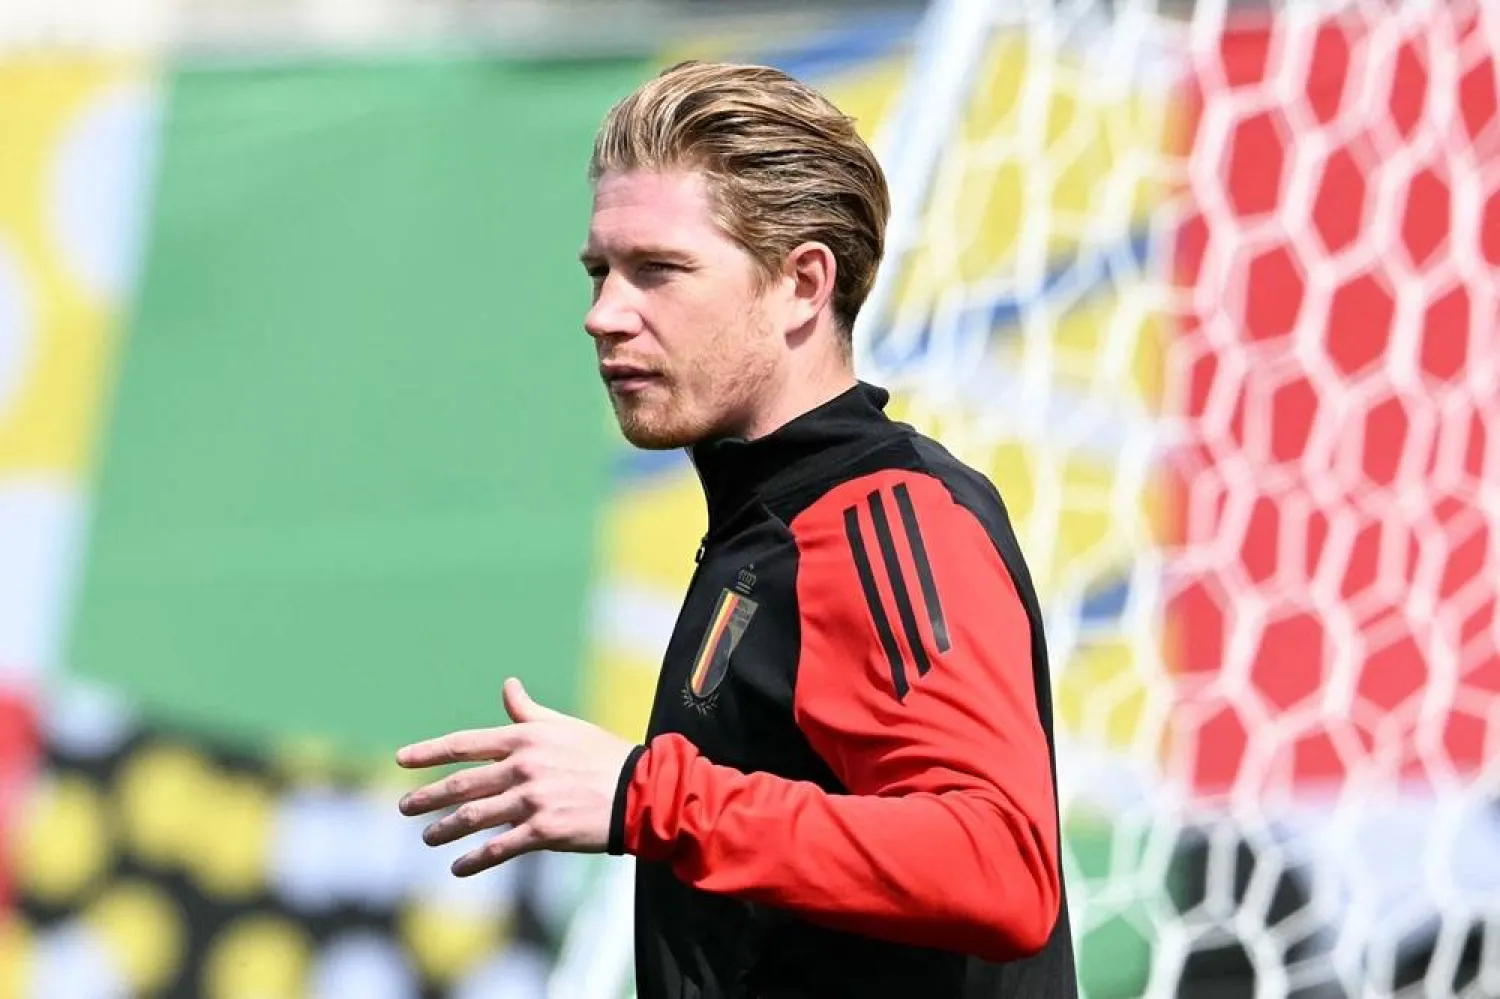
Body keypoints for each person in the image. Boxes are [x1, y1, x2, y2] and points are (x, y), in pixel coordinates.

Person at [396, 60, 1078, 998]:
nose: (603, 314)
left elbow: (1000, 867)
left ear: (802, 283)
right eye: (600, 271)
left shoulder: (889, 516)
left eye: (658, 271)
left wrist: (648, 796)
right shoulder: (760, 531)